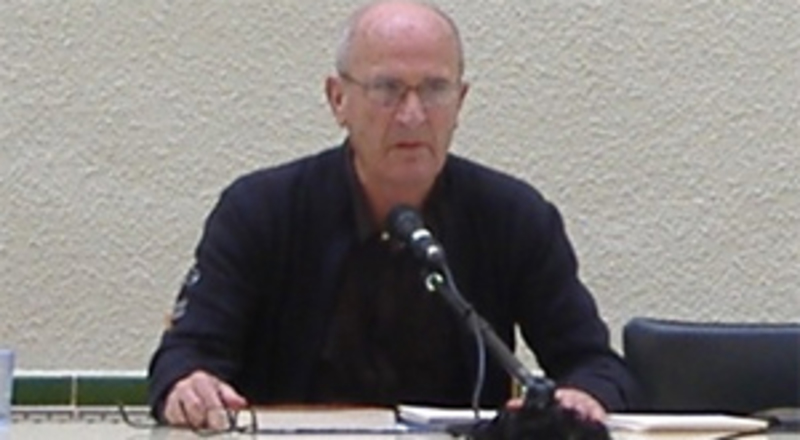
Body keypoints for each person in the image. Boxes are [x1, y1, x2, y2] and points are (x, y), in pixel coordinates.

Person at [147, 0, 640, 429]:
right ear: (338, 99)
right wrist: (189, 386)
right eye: (387, 89)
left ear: (461, 101)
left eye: (435, 89)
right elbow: (184, 357)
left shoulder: (514, 216)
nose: (412, 114)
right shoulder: (260, 211)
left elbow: (596, 366)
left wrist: (583, 397)